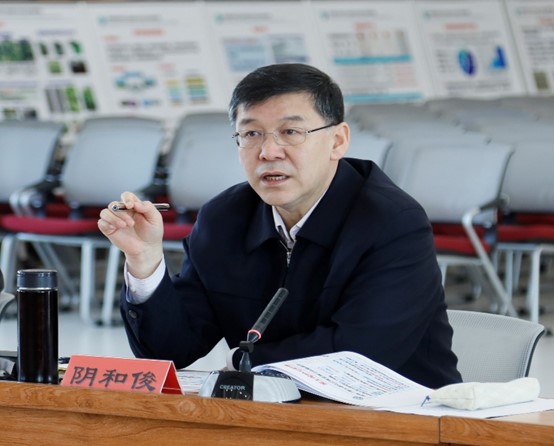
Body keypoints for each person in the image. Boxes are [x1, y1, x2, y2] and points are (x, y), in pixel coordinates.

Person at [98, 63, 461, 388]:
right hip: (269, 414)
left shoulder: (392, 222)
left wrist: (243, 364)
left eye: (290, 132)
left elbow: (361, 353)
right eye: (251, 134)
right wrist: (145, 262)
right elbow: (171, 350)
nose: (268, 152)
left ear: (337, 141)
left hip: (398, 416)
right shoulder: (223, 219)